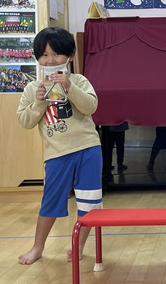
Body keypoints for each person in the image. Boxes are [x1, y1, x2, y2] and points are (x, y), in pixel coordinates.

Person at [17, 27, 102, 265]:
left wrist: (70, 88)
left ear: (70, 56)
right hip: (56, 154)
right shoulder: (33, 88)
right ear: (37, 58)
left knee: (89, 202)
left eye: (57, 54)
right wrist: (39, 102)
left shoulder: (79, 81)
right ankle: (37, 247)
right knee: (51, 200)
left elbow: (91, 107)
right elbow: (24, 121)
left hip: (88, 148)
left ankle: (78, 246)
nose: (51, 60)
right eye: (44, 55)